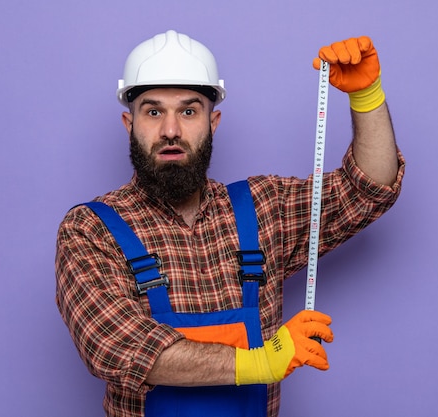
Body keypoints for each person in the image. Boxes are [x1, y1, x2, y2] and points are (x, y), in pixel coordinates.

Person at [55, 30, 404, 417]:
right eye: (154, 111)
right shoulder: (90, 229)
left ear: (213, 121)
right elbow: (115, 345)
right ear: (129, 122)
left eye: (189, 111)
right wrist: (259, 363)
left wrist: (367, 95)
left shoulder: (263, 209)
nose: (170, 130)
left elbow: (370, 189)